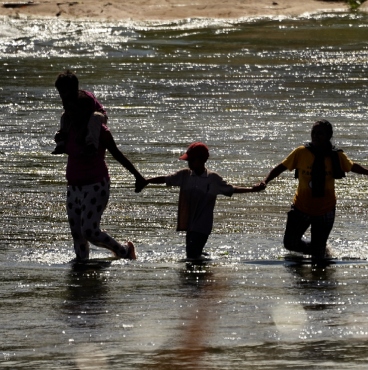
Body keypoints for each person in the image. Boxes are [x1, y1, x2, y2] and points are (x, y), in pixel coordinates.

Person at [261, 120, 368, 260]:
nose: (315, 136)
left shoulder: (336, 155)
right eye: (313, 132)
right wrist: (265, 181)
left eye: (320, 133)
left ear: (329, 136)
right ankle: (320, 252)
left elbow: (352, 167)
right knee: (290, 243)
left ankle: (320, 258)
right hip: (301, 207)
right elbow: (281, 167)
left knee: (318, 257)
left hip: (325, 209)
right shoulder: (301, 152)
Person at [136, 142, 265, 260]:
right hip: (190, 225)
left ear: (202, 160)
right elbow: (165, 179)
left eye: (192, 160)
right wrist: (146, 181)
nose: (189, 163)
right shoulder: (185, 175)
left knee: (192, 255)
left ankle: (199, 277)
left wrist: (252, 189)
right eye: (188, 160)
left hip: (203, 226)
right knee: (192, 254)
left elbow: (231, 189)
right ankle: (206, 261)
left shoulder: (212, 179)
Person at [63, 92, 143, 261]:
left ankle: (124, 251)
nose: (69, 113)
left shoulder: (100, 131)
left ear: (85, 112)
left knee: (90, 231)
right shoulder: (69, 128)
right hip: (73, 187)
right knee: (77, 234)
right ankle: (81, 268)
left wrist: (137, 176)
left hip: (96, 186)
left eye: (73, 110)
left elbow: (118, 155)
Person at [52, 70, 107, 155]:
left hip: (97, 116)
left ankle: (91, 145)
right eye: (60, 92)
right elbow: (68, 114)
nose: (61, 95)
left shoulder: (86, 98)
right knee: (64, 116)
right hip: (81, 117)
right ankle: (61, 144)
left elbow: (88, 116)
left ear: (72, 89)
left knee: (94, 117)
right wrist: (62, 131)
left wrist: (81, 132)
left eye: (63, 91)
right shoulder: (66, 99)